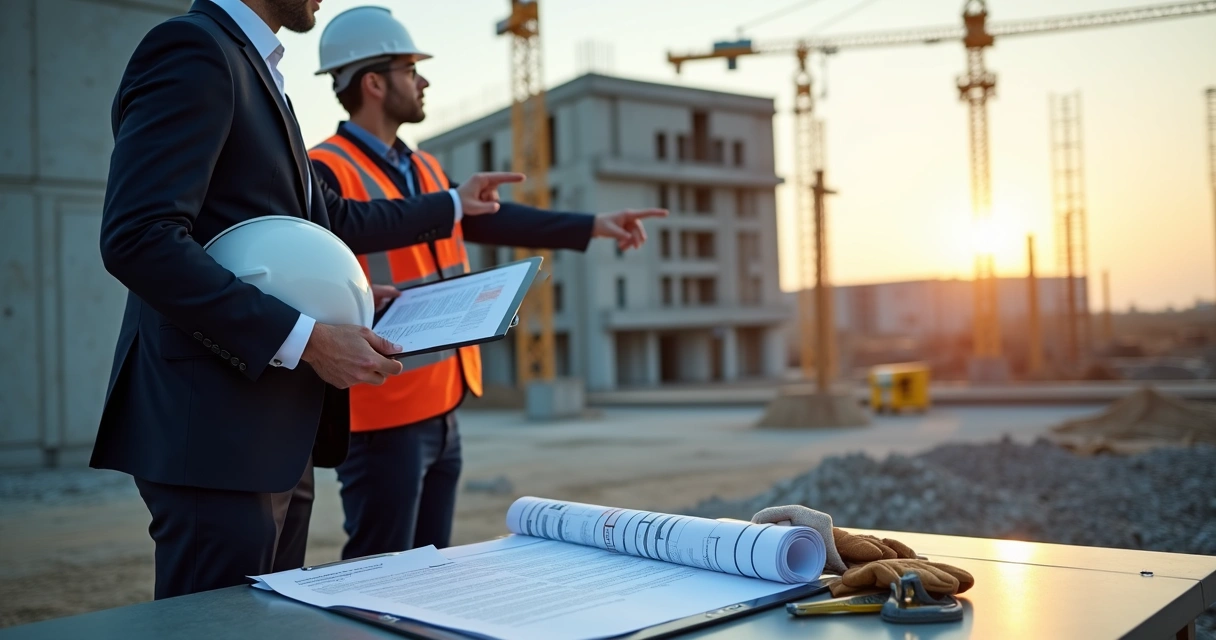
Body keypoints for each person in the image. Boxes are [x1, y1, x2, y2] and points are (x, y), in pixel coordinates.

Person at [92, 0, 524, 600]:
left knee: (264, 623)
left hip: (273, 423)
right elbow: (138, 238)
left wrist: (348, 292)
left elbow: (315, 223)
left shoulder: (256, 69)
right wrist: (308, 338)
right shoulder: (192, 50)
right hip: (214, 428)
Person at [308, 6, 667, 560]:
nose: (423, 80)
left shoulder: (422, 167)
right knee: (378, 573)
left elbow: (488, 216)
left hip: (445, 398)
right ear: (374, 83)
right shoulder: (325, 169)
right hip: (383, 408)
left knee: (431, 565)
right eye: (410, 70)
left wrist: (593, 226)